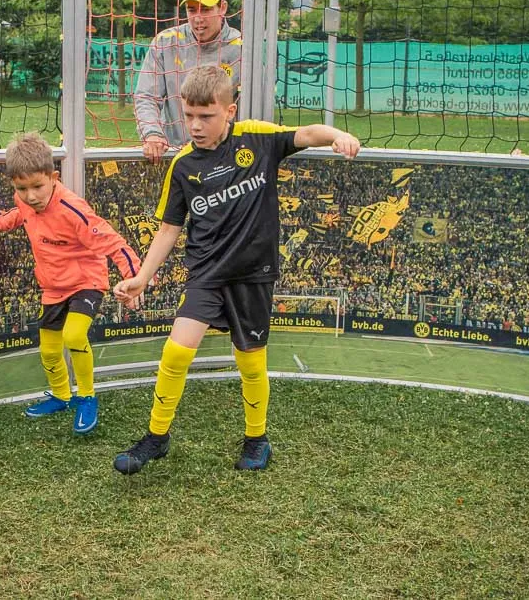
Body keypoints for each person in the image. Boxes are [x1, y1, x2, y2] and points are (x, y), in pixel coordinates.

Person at [112, 65, 360, 474]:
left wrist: (338, 135)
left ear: (230, 111)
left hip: (253, 274)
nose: (195, 125)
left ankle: (257, 439)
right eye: (189, 115)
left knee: (250, 360)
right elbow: (170, 229)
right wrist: (141, 277)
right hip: (206, 273)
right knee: (177, 350)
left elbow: (307, 133)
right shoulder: (183, 166)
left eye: (206, 116)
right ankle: (156, 438)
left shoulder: (256, 138)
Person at [0, 132, 143, 434]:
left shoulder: (73, 209)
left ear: (53, 177)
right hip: (53, 286)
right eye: (22, 188)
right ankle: (61, 396)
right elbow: (19, 213)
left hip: (86, 280)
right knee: (48, 350)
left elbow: (112, 241)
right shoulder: (23, 201)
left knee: (73, 335)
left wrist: (134, 277)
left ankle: (87, 397)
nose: (30, 196)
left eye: (37, 186)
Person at [134, 0, 242, 164]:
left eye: (205, 9)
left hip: (227, 157)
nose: (198, 18)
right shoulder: (165, 42)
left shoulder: (242, 49)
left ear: (222, 8)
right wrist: (152, 134)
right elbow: (146, 96)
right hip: (177, 156)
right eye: (192, 10)